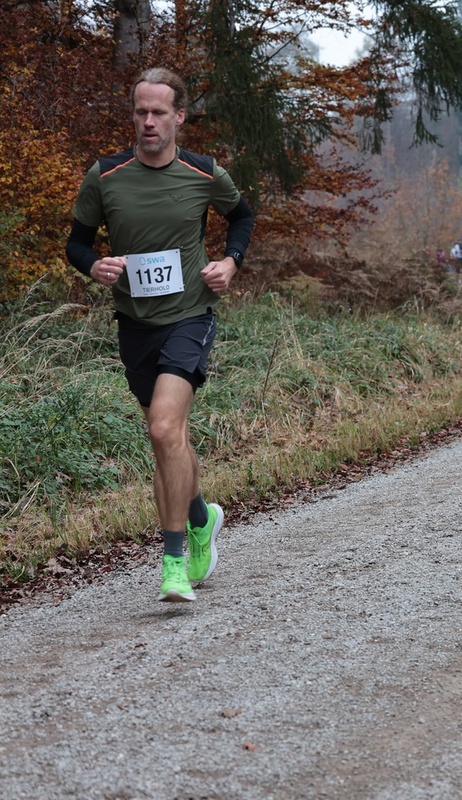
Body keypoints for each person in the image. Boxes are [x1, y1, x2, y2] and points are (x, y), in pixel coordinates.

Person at [65, 67, 254, 602]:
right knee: (168, 437)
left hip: (190, 314)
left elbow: (242, 218)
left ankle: (173, 564)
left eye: (158, 112)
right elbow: (76, 242)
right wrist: (93, 265)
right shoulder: (105, 175)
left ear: (179, 117)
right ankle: (201, 518)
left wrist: (230, 262)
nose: (148, 121)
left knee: (164, 426)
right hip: (135, 324)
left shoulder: (203, 173)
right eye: (140, 112)